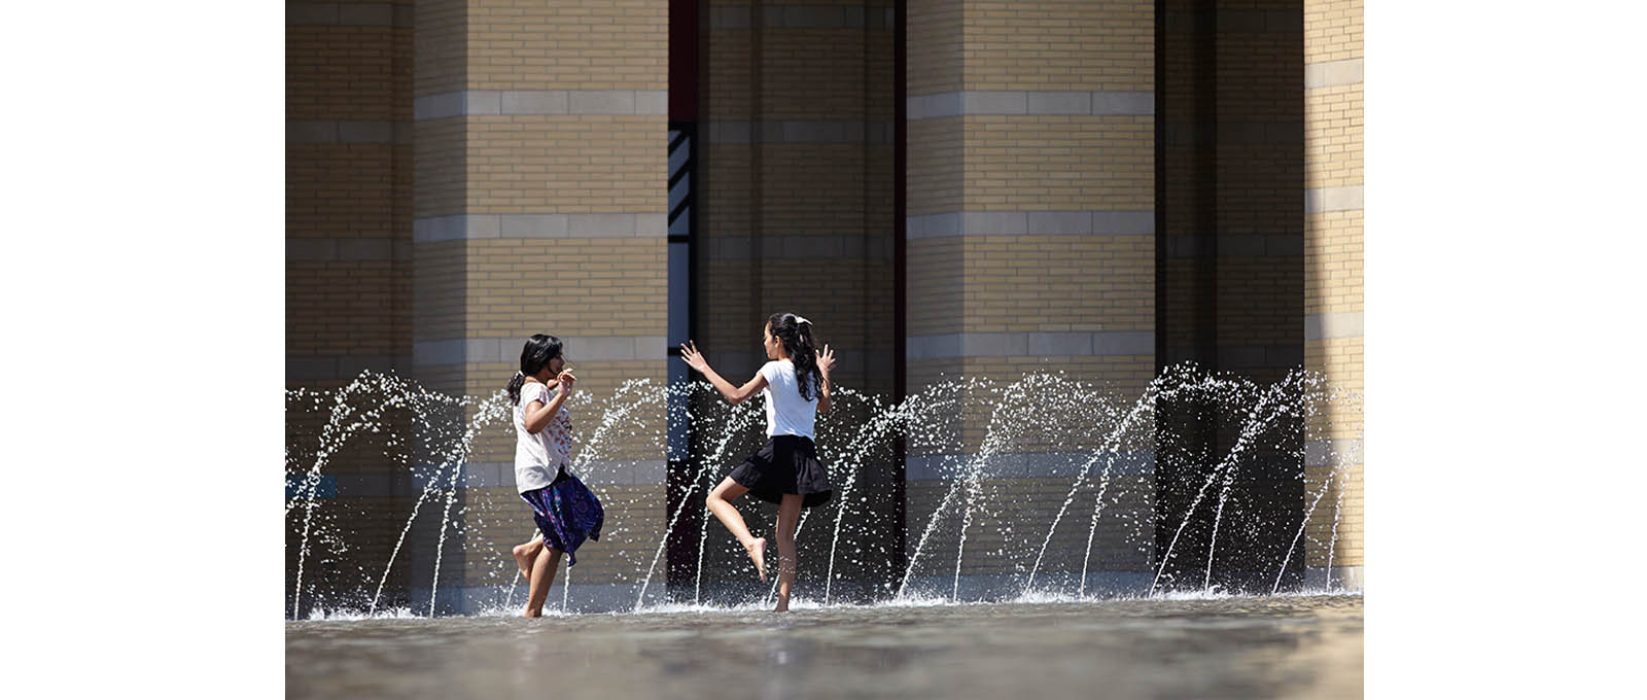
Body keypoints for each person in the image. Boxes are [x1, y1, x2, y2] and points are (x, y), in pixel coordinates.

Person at [679, 313, 836, 612]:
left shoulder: (773, 369)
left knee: (716, 498)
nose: (764, 343)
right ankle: (782, 605)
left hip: (778, 450)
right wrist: (824, 370)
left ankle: (751, 543)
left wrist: (704, 368)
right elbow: (825, 406)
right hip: (805, 455)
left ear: (778, 341)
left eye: (766, 338)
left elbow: (736, 396)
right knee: (785, 536)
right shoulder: (810, 373)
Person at [506, 334, 604, 618]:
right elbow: (533, 423)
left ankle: (528, 551)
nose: (562, 361)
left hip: (552, 472)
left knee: (590, 512)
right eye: (557, 357)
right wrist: (560, 395)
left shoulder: (535, 386)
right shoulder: (533, 391)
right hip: (542, 473)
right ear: (542, 361)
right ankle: (533, 610)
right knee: (557, 541)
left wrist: (554, 386)